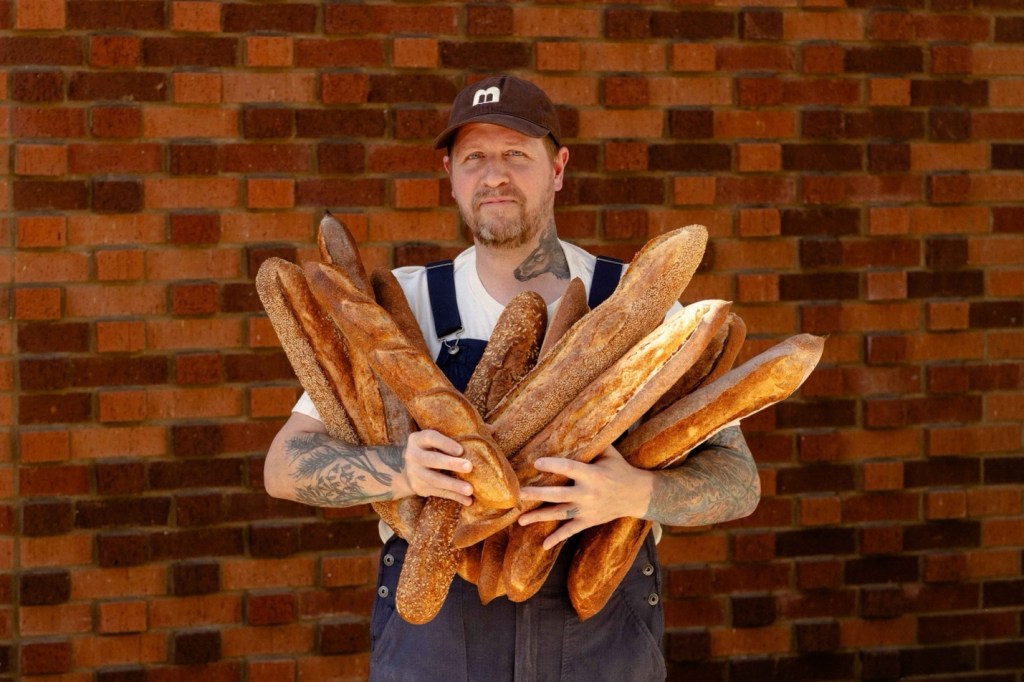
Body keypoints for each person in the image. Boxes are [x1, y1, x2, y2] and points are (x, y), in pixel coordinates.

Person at [264, 75, 761, 681]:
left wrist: (633, 493)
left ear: (557, 168)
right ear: (450, 174)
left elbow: (740, 482)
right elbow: (283, 467)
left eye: (516, 155)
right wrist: (401, 469)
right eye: (474, 157)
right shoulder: (406, 304)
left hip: (599, 617)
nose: (494, 175)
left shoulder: (642, 306)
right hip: (438, 622)